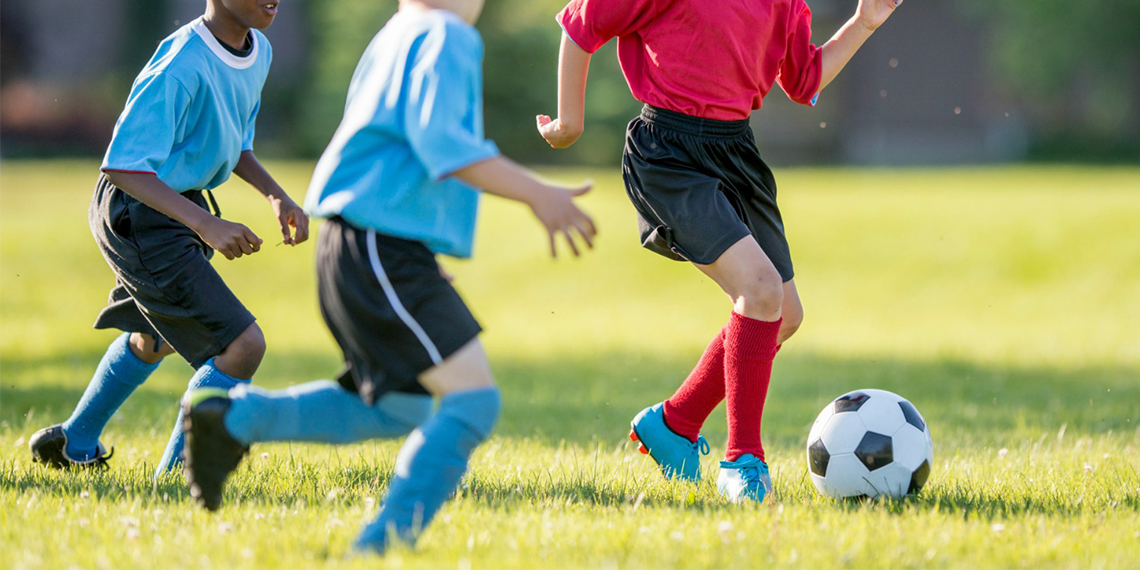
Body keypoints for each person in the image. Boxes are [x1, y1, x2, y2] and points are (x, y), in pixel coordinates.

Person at [180, 0, 596, 554]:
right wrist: (537, 193)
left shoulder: (400, 31)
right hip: (378, 247)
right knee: (473, 402)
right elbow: (444, 145)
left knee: (400, 407)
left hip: (364, 244)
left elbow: (392, 152)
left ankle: (232, 419)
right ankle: (380, 548)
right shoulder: (446, 35)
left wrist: (420, 249)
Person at [537, 0, 903, 502]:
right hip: (668, 153)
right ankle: (743, 459)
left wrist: (863, 23)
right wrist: (569, 122)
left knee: (785, 313)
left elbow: (806, 79)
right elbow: (581, 26)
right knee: (760, 290)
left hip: (735, 153)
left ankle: (674, 423)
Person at [28, 0, 308, 479]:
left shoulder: (257, 49)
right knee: (243, 346)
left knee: (154, 335)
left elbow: (235, 142)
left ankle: (73, 443)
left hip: (175, 202)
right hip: (137, 207)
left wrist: (276, 195)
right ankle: (179, 481)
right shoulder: (182, 63)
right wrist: (207, 225)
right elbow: (123, 165)